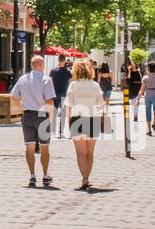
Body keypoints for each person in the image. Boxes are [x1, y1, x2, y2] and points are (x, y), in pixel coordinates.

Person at [12, 55, 57, 187]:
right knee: (44, 147)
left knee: (29, 147)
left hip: (27, 115)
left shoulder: (23, 79)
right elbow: (49, 101)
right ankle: (45, 174)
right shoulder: (45, 80)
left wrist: (22, 108)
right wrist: (51, 117)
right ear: (42, 66)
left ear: (31, 66)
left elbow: (14, 97)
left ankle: (32, 176)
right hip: (42, 115)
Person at [64, 58, 106, 190]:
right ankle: (87, 177)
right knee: (90, 153)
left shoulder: (73, 86)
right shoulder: (95, 86)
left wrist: (68, 122)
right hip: (93, 119)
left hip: (78, 119)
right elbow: (100, 106)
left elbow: (69, 106)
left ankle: (84, 178)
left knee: (80, 153)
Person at [49, 55, 72, 137]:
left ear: (58, 60)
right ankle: (61, 132)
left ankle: (53, 131)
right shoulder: (68, 71)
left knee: (54, 113)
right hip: (64, 94)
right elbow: (72, 80)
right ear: (65, 61)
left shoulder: (53, 71)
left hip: (54, 94)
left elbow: (50, 83)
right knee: (63, 114)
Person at [140, 63, 155, 136]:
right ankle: (154, 124)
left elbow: (142, 89)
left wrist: (138, 98)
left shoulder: (145, 78)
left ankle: (149, 130)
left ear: (148, 69)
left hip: (147, 96)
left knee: (148, 113)